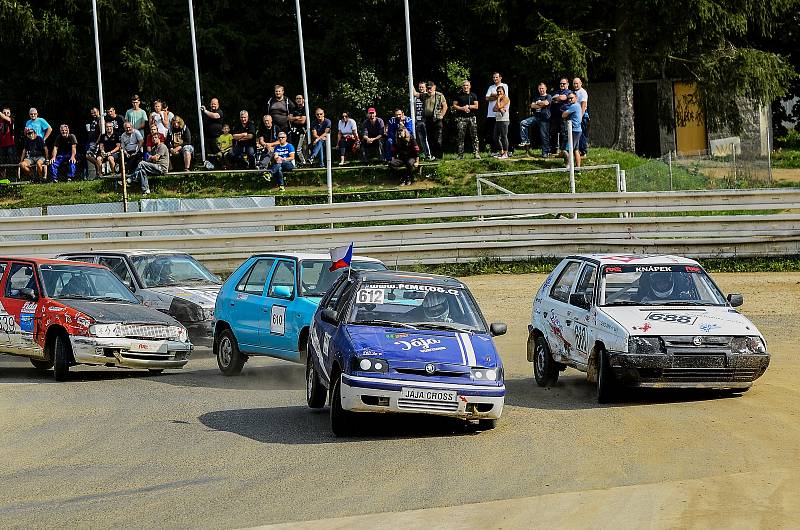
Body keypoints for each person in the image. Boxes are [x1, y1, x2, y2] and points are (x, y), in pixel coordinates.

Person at [518, 82, 552, 157]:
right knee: (523, 123)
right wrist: (539, 104)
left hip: (545, 118)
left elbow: (546, 103)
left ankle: (545, 152)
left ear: (546, 88)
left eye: (542, 88)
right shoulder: (536, 97)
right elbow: (532, 106)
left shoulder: (548, 96)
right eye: (540, 88)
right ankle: (525, 140)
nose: (541, 90)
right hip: (536, 117)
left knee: (544, 136)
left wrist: (538, 104)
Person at [452, 80, 481, 160]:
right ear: (462, 87)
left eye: (467, 85)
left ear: (470, 86)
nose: (465, 87)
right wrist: (462, 108)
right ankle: (460, 155)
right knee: (460, 137)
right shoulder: (458, 95)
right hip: (461, 118)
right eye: (464, 85)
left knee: (474, 136)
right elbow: (454, 105)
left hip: (472, 117)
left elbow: (476, 106)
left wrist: (468, 107)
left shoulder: (473, 95)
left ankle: (476, 154)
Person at [423, 81, 447, 160]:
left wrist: (442, 115)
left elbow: (445, 106)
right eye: (428, 88)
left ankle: (439, 156)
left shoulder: (439, 95)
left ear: (434, 87)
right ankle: (433, 156)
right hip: (428, 119)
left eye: (430, 88)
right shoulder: (424, 95)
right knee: (430, 138)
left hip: (436, 119)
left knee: (438, 138)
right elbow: (416, 94)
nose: (429, 90)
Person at [484, 72, 508, 152]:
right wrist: (497, 96)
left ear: (500, 78)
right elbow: (487, 98)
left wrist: (494, 95)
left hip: (502, 114)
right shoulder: (491, 87)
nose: (495, 79)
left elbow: (504, 97)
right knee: (493, 135)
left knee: (503, 135)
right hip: (491, 114)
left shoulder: (504, 86)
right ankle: (495, 151)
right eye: (494, 77)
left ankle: (506, 151)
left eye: (496, 77)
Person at [562, 92, 582, 168]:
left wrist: (565, 113)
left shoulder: (574, 106)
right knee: (576, 150)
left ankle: (568, 166)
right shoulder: (577, 106)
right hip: (578, 130)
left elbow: (563, 115)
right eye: (569, 98)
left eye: (571, 98)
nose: (570, 100)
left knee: (567, 150)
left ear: (576, 98)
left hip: (574, 131)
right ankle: (578, 168)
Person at [551, 78, 572, 155]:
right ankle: (554, 150)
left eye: (564, 83)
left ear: (567, 84)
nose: (562, 85)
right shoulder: (557, 91)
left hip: (564, 116)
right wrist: (556, 98)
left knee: (564, 133)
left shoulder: (569, 92)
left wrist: (556, 98)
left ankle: (564, 151)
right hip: (555, 116)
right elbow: (551, 99)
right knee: (553, 133)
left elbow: (562, 97)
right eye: (561, 83)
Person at [201, 97, 224, 162]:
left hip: (216, 137)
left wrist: (205, 111)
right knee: (209, 154)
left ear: (218, 105)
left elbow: (214, 116)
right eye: (212, 104)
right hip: (207, 137)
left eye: (214, 104)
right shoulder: (208, 112)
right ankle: (210, 167)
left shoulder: (220, 112)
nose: (213, 105)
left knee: (218, 153)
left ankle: (221, 166)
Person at [413, 81, 431, 160]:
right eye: (420, 87)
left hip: (425, 121)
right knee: (420, 139)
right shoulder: (416, 97)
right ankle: (423, 154)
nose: (421, 89)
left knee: (426, 139)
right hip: (418, 121)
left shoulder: (427, 96)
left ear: (426, 88)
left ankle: (429, 154)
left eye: (422, 87)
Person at [288, 94, 308, 165]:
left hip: (302, 131)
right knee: (293, 147)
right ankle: (296, 163)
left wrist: (294, 118)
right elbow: (289, 118)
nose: (298, 100)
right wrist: (297, 118)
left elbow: (302, 121)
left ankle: (304, 162)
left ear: (303, 99)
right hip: (293, 131)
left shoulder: (305, 109)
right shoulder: (293, 108)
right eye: (297, 98)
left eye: (300, 98)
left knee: (299, 149)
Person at [573, 77, 589, 156]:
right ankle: (578, 150)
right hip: (576, 115)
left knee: (582, 133)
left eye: (577, 83)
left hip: (582, 115)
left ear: (581, 83)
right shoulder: (574, 92)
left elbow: (583, 105)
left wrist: (580, 117)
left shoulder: (583, 92)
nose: (575, 85)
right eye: (574, 83)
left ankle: (583, 151)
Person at [493, 85, 510, 159]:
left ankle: (506, 153)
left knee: (504, 136)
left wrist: (499, 100)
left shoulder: (506, 98)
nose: (499, 93)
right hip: (498, 119)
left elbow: (499, 107)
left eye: (500, 91)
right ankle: (501, 152)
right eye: (498, 91)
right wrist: (499, 107)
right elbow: (494, 109)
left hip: (504, 120)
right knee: (495, 137)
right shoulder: (498, 99)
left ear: (503, 91)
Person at [0, 107, 15, 174]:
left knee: (11, 161)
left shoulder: (10, 119)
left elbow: (6, 118)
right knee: (2, 162)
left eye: (8, 113)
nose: (6, 114)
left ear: (10, 114)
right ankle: (3, 176)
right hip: (1, 145)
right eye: (4, 113)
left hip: (10, 144)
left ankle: (13, 176)